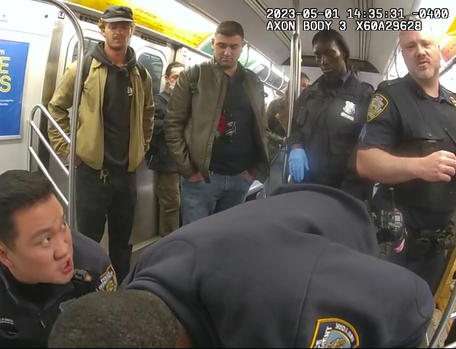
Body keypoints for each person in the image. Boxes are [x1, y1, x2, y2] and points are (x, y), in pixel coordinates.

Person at [48, 184, 434, 348]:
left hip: (341, 223)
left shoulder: (290, 314)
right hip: (272, 222)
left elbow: (412, 300)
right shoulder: (144, 279)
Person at [0, 170, 116, 347]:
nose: (64, 250)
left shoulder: (94, 265)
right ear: (4, 255)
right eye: (46, 240)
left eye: (63, 225)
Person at [47, 5, 154, 283]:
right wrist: (69, 150)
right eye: (113, 26)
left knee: (122, 240)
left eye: (124, 26)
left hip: (126, 174)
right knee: (87, 239)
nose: (118, 31)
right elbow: (56, 108)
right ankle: (87, 288)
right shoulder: (82, 68)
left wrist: (141, 147)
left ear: (132, 31)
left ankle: (118, 286)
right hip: (92, 173)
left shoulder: (141, 75)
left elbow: (148, 114)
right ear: (102, 29)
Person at [356, 29, 456, 291]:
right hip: (398, 240)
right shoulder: (391, 97)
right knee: (383, 310)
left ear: (438, 51)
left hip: (439, 242)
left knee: (420, 311)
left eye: (426, 44)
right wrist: (420, 167)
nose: (420, 51)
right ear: (403, 55)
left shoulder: (453, 105)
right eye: (410, 47)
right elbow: (366, 161)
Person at [164, 21, 270, 225]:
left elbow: (261, 125)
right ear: (213, 43)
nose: (227, 52)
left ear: (243, 46)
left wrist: (254, 170)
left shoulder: (253, 82)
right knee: (195, 240)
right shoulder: (194, 76)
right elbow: (173, 124)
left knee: (225, 238)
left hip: (240, 177)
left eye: (233, 47)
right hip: (202, 177)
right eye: (221, 45)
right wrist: (188, 169)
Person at [288, 30, 373, 200]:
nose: (323, 61)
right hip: (307, 185)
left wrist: (352, 192)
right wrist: (296, 148)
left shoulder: (364, 95)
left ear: (344, 53)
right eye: (318, 56)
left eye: (330, 53)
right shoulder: (308, 94)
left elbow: (368, 145)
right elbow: (296, 129)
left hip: (345, 188)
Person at [146, 62, 186, 236]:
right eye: (175, 77)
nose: (178, 82)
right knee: (171, 204)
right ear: (167, 79)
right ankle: (168, 241)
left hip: (183, 161)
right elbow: (151, 126)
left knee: (181, 202)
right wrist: (176, 122)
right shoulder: (159, 101)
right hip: (166, 161)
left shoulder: (186, 102)